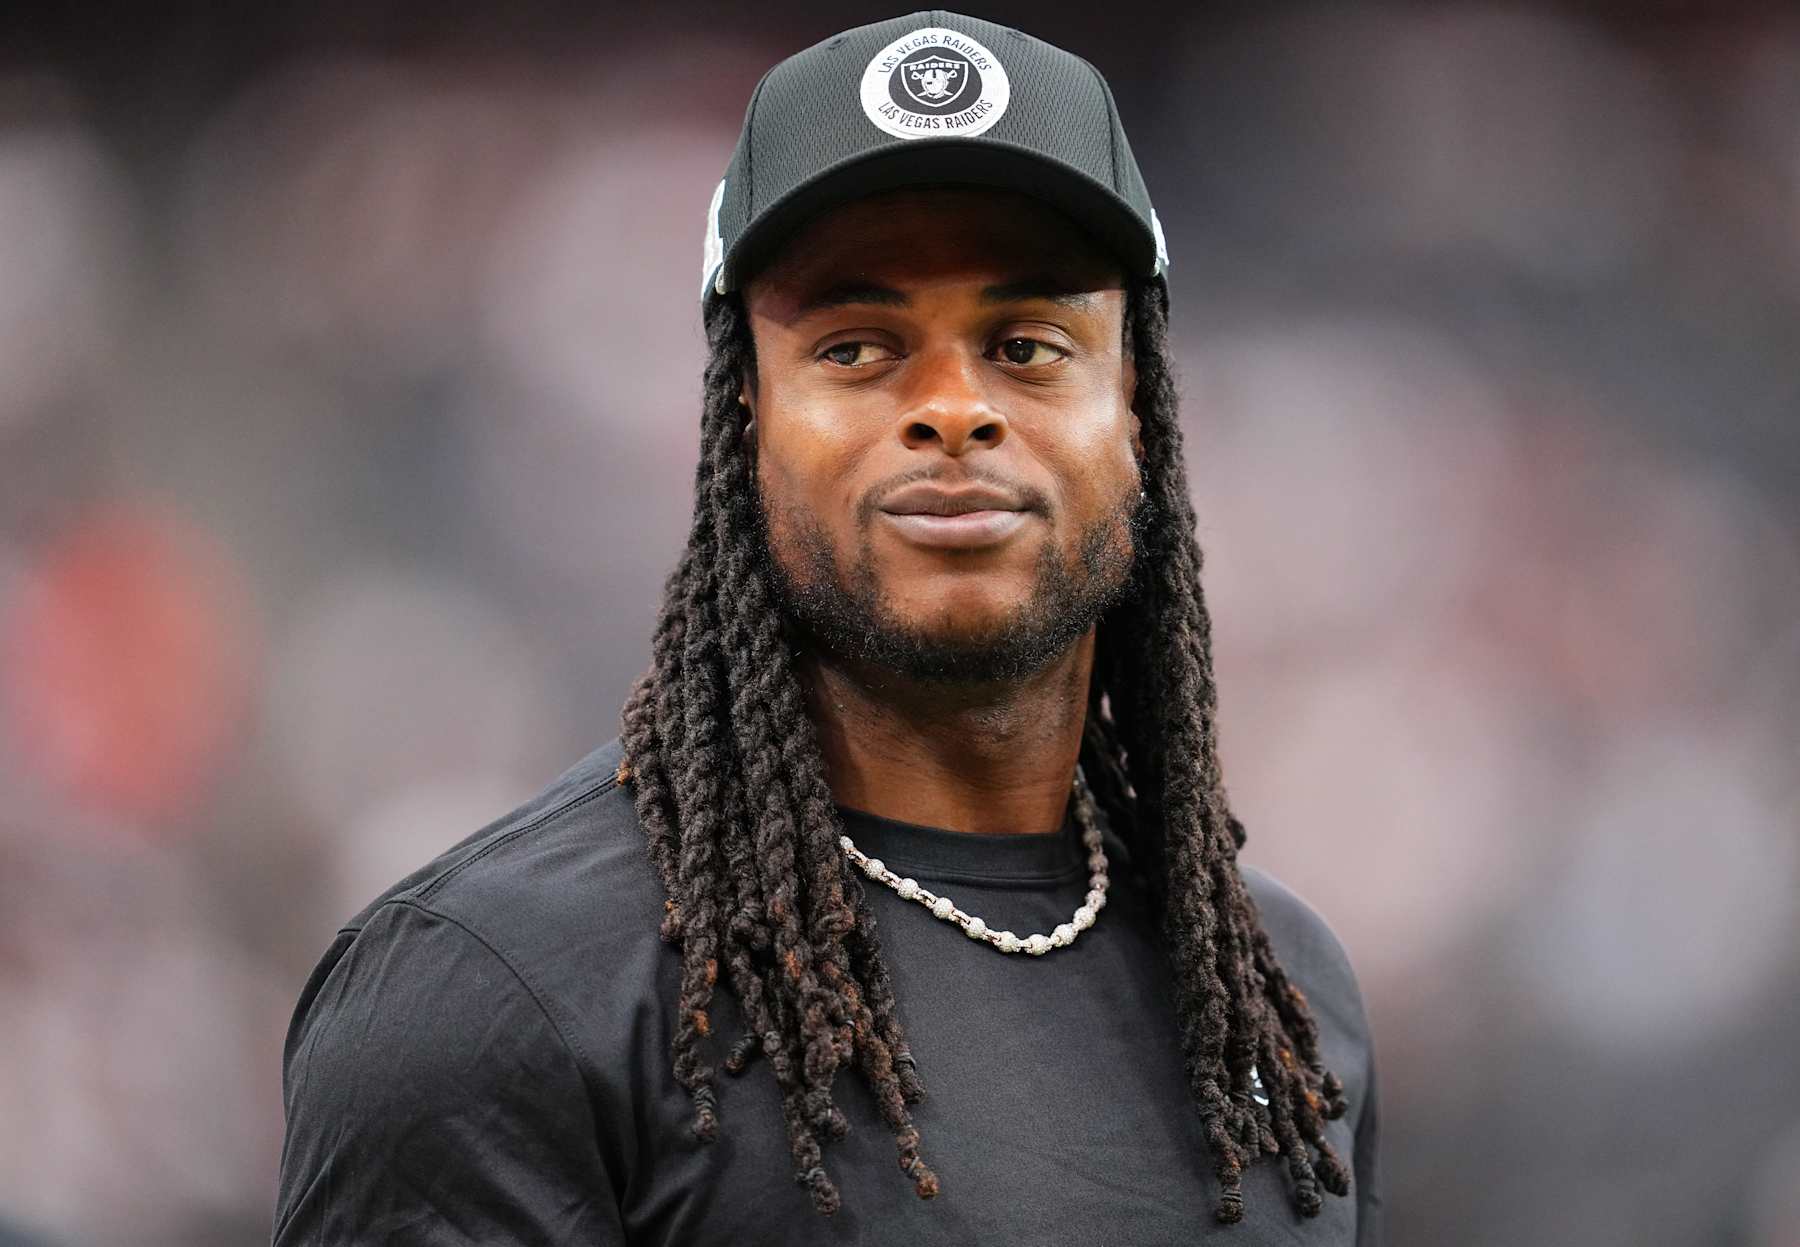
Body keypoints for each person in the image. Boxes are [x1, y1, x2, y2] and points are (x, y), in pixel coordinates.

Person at [272, 11, 1383, 1244]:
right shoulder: (494, 991)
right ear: (744, 421)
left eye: (1028, 345)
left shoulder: (1284, 990)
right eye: (858, 348)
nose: (954, 409)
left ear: (1136, 407)